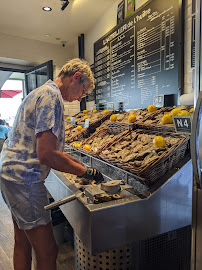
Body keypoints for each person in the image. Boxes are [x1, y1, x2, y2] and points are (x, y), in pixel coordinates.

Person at [0, 58, 104, 270]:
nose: (79, 98)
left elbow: (51, 150)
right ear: (76, 78)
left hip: (9, 173)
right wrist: (85, 171)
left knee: (23, 242)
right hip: (24, 180)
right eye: (82, 92)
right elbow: (46, 154)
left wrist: (76, 164)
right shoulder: (52, 97)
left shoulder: (41, 91)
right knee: (48, 250)